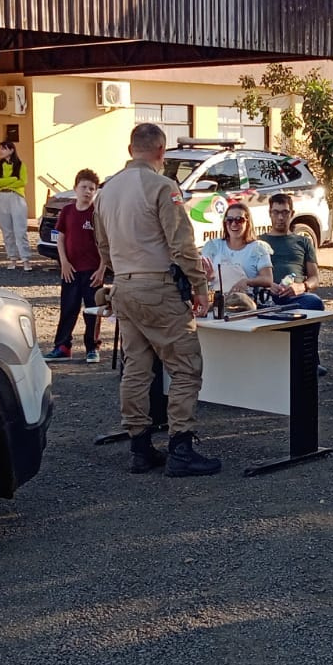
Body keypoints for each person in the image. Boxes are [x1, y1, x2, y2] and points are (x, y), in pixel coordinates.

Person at [93, 122, 220, 477]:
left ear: (131, 148)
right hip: (158, 287)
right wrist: (199, 288)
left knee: (136, 368)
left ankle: (140, 446)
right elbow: (181, 244)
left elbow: (102, 246)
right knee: (185, 366)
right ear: (162, 152)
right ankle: (180, 445)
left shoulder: (107, 190)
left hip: (125, 287)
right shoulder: (163, 188)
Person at [45, 168, 104, 364]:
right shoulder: (68, 211)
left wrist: (102, 268)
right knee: (68, 308)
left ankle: (92, 347)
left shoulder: (97, 214)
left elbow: (105, 244)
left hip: (92, 271)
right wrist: (64, 263)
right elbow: (61, 237)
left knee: (93, 310)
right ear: (75, 188)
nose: (87, 191)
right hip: (70, 270)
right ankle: (62, 346)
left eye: (92, 188)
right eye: (84, 187)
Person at [200, 202, 274, 298]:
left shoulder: (258, 248)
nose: (234, 224)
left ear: (247, 222)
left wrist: (247, 282)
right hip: (216, 303)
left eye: (239, 220)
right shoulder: (213, 246)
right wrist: (207, 278)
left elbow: (268, 279)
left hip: (245, 304)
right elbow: (199, 277)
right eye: (229, 220)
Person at [263, 193, 324, 311]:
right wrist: (267, 286)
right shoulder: (259, 242)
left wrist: (302, 287)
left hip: (296, 297)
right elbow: (250, 274)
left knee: (314, 302)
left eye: (285, 212)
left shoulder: (304, 241)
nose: (280, 217)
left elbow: (314, 278)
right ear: (270, 213)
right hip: (266, 295)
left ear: (292, 214)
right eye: (276, 212)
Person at [0, 140, 32, 271]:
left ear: (11, 150)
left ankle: (26, 259)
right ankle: (12, 258)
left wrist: (8, 183)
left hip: (16, 197)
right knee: (7, 231)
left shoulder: (21, 165)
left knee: (20, 230)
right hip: (2, 197)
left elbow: (23, 182)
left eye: (4, 149)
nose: (1, 151)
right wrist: (13, 180)